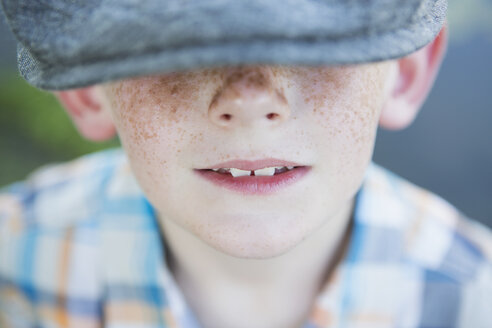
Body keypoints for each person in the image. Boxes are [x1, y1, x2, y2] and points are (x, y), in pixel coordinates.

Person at [0, 0, 490, 327]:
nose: (250, 97)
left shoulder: (476, 301)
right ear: (88, 89)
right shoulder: (11, 269)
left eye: (314, 43)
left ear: (404, 72)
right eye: (173, 45)